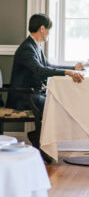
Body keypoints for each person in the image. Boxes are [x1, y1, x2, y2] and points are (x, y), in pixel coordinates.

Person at [7, 13, 84, 149]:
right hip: (23, 97)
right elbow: (40, 70)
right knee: (55, 103)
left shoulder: (35, 46)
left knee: (57, 100)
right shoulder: (27, 49)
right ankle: (41, 138)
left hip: (33, 94)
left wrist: (73, 68)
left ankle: (39, 136)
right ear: (42, 29)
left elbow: (48, 66)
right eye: (48, 29)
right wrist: (68, 73)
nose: (48, 33)